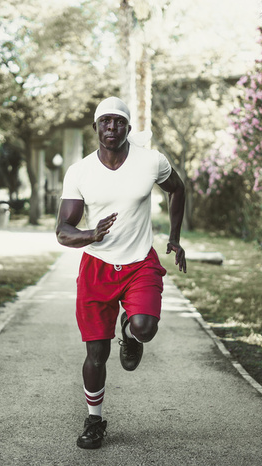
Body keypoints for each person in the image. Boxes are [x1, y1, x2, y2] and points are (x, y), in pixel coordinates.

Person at [56, 96, 187, 449]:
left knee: (145, 327)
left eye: (118, 122)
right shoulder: (80, 171)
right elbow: (63, 230)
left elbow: (178, 189)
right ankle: (94, 420)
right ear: (96, 127)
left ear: (128, 127)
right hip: (97, 268)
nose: (111, 128)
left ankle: (129, 333)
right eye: (105, 122)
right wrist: (89, 234)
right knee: (95, 354)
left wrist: (173, 238)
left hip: (139, 263)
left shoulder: (151, 162)